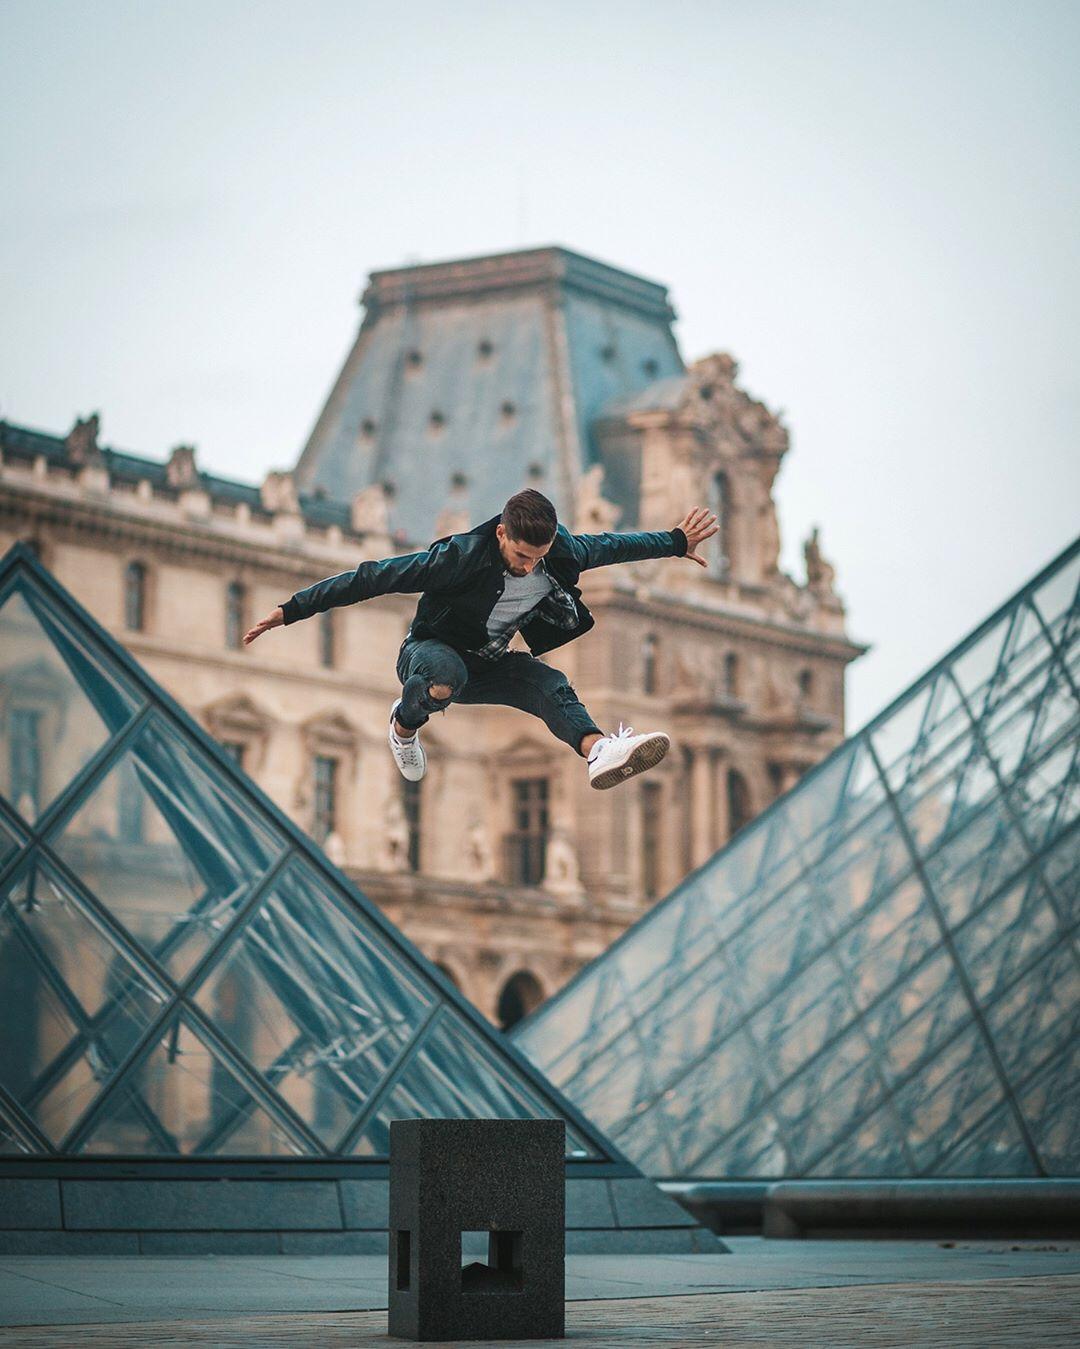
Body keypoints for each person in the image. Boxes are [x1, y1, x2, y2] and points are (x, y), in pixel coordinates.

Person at [244, 490, 717, 790]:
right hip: (428, 656)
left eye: (539, 557)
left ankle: (598, 751)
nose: (530, 566)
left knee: (549, 684)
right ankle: (404, 727)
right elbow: (372, 578)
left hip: (490, 663)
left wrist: (676, 541)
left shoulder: (562, 551)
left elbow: (614, 546)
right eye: (521, 555)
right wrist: (291, 610)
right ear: (501, 533)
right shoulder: (458, 557)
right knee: (446, 675)